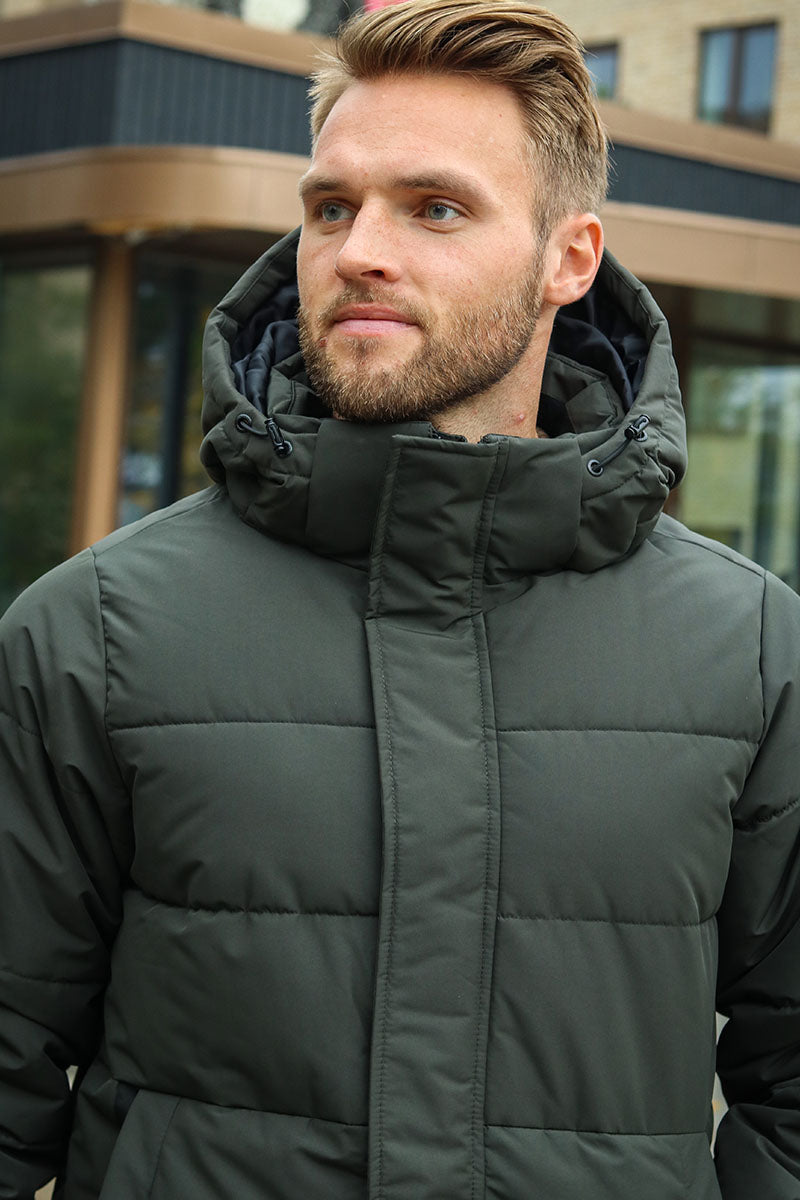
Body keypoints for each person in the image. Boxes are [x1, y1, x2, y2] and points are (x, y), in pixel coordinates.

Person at [1, 1, 799, 1196]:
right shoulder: (90, 634)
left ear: (568, 259)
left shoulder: (751, 651)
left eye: (434, 208)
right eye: (331, 207)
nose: (357, 250)